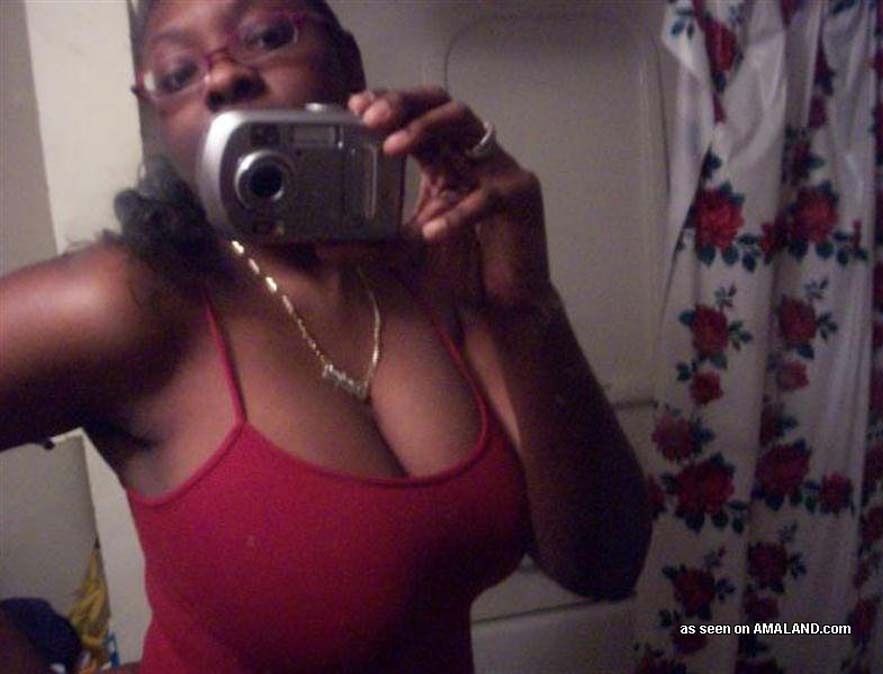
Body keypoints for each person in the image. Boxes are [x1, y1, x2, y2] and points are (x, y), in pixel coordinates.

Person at [0, 0, 652, 671]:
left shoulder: (435, 272)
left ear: (348, 63)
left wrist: (524, 305)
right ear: (160, 120)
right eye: (176, 74)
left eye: (266, 35)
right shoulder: (134, 301)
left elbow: (606, 561)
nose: (220, 78)